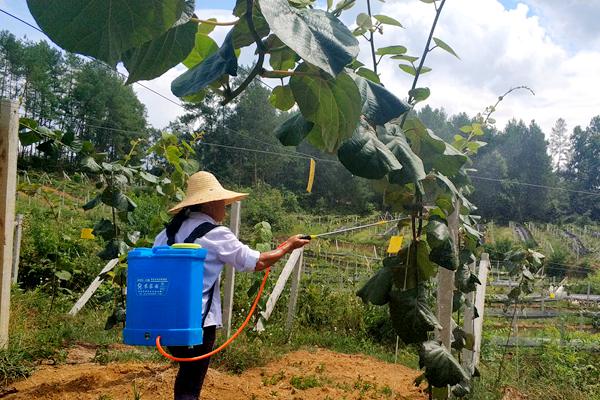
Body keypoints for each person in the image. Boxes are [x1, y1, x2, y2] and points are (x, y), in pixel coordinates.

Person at [153, 171, 309, 400]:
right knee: (190, 385)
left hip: (165, 319)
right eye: (223, 203)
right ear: (209, 204)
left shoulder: (165, 233)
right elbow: (258, 262)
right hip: (197, 323)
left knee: (186, 377)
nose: (225, 208)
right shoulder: (216, 234)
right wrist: (288, 246)